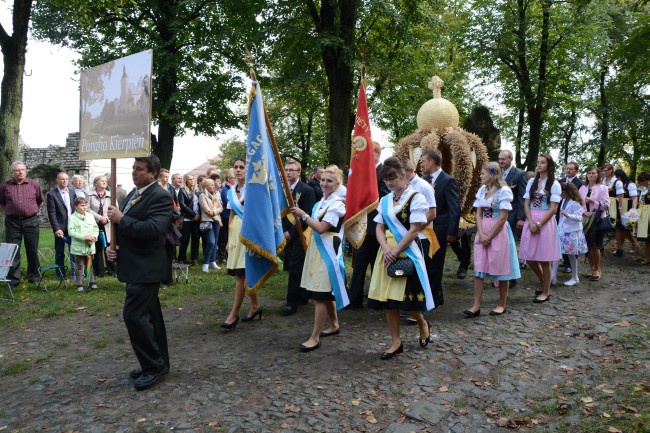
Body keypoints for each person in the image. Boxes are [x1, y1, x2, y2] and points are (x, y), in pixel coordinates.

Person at [106, 155, 173, 391]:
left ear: (152, 173)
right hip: (133, 264)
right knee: (151, 317)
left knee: (134, 316)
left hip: (147, 267)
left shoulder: (161, 196)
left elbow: (153, 230)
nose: (134, 173)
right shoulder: (136, 194)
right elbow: (125, 229)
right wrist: (114, 247)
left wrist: (122, 218)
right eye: (133, 169)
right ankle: (157, 362)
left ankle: (153, 367)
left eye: (139, 169)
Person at [367, 157, 434, 359]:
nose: (389, 183)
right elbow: (378, 226)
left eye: (392, 178)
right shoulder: (385, 200)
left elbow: (414, 230)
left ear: (403, 174)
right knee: (389, 301)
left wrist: (395, 251)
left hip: (407, 251)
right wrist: (385, 247)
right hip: (386, 252)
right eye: (386, 179)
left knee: (406, 301)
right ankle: (396, 342)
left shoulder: (417, 198)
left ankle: (422, 323)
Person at [289, 165, 346, 352]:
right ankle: (335, 325)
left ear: (337, 184)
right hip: (317, 248)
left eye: (329, 181)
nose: (324, 183)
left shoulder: (338, 204)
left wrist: (303, 215)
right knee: (323, 290)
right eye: (322, 180)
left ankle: (314, 337)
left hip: (328, 248)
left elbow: (322, 228)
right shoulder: (320, 203)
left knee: (319, 295)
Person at [463, 162, 520, 317]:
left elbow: (503, 217)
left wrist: (490, 236)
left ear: (492, 174)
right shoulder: (482, 190)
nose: (480, 176)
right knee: (479, 269)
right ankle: (476, 305)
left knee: (501, 268)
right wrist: (481, 233)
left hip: (498, 231)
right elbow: (478, 214)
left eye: (482, 173)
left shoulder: (504, 191)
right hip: (483, 230)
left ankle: (501, 304)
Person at [348, 142, 390, 309]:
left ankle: (376, 298)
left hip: (376, 226)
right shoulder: (359, 173)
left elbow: (385, 196)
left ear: (378, 154)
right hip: (360, 227)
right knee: (359, 264)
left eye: (370, 153)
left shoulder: (383, 173)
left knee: (376, 264)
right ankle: (355, 299)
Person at [222, 157, 262, 328]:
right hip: (235, 234)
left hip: (249, 233)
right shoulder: (231, 191)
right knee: (242, 273)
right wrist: (229, 237)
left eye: (242, 167)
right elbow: (231, 215)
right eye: (236, 167)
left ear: (248, 170)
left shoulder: (253, 189)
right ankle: (255, 306)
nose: (238, 170)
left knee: (241, 274)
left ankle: (233, 315)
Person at [420, 148, 460, 307]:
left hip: (440, 230)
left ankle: (434, 299)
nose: (422, 164)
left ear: (432, 162)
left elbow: (454, 209)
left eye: (423, 161)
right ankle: (434, 295)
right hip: (424, 229)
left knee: (436, 265)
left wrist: (451, 232)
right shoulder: (423, 181)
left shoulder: (448, 181)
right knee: (427, 264)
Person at [519, 154, 561, 303]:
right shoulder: (532, 182)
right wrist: (530, 221)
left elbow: (553, 209)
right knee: (529, 256)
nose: (539, 165)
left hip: (545, 222)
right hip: (531, 220)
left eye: (542, 162)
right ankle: (543, 280)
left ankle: (546, 292)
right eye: (538, 162)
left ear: (549, 165)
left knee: (544, 259)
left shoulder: (554, 184)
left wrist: (539, 224)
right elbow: (526, 203)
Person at [0, 161, 44, 286]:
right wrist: (11, 211)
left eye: (22, 170)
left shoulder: (34, 184)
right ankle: (14, 279)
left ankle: (34, 276)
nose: (20, 172)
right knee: (13, 250)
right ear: (12, 172)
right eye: (17, 170)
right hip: (12, 222)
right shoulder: (5, 186)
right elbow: (2, 203)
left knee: (32, 249)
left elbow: (40, 201)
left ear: (25, 171)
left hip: (31, 221)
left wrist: (31, 211)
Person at [282, 159, 316, 316]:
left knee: (296, 268)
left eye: (291, 170)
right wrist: (283, 231)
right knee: (291, 265)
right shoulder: (282, 190)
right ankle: (302, 296)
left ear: (298, 172)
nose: (288, 172)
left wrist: (292, 233)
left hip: (301, 233)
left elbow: (307, 214)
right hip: (285, 232)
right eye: (286, 170)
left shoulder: (307, 190)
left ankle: (291, 302)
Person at [497, 150, 528, 286]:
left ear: (511, 159)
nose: (501, 161)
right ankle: (500, 275)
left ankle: (512, 277)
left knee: (509, 246)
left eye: (503, 159)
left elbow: (522, 197)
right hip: (498, 214)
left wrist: (521, 218)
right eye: (499, 159)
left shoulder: (520, 174)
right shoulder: (498, 173)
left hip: (513, 215)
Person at [579, 167, 610, 281]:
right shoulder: (583, 188)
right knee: (588, 244)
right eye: (589, 173)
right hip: (586, 219)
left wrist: (593, 202)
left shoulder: (603, 188)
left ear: (598, 175)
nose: (591, 175)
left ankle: (596, 269)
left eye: (593, 173)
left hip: (598, 219)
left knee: (596, 244)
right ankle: (591, 268)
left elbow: (607, 205)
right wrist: (584, 211)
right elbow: (578, 203)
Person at [554, 182, 588, 286]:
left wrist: (568, 215)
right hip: (563, 230)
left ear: (567, 192)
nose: (560, 194)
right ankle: (553, 276)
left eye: (562, 192)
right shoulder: (564, 200)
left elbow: (579, 217)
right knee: (557, 252)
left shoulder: (575, 202)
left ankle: (575, 277)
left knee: (571, 255)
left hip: (572, 232)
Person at [47, 172, 76, 280]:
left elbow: (75, 209)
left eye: (66, 179)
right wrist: (56, 228)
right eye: (62, 179)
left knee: (74, 250)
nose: (64, 181)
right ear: (57, 180)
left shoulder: (72, 192)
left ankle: (75, 274)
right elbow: (52, 213)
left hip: (72, 226)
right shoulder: (52, 194)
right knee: (60, 252)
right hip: (60, 227)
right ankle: (60, 274)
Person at [557, 162, 584, 274]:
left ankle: (570, 264)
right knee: (561, 238)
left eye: (571, 169)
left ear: (576, 171)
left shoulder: (580, 183)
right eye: (567, 169)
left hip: (572, 215)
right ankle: (563, 260)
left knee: (571, 243)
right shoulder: (560, 181)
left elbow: (579, 199)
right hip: (561, 211)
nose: (568, 171)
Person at [68, 197, 99, 292]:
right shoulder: (72, 217)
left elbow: (95, 228)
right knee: (79, 265)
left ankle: (92, 282)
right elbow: (71, 231)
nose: (84, 207)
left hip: (89, 245)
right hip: (79, 247)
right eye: (82, 205)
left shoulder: (90, 216)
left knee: (89, 264)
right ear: (76, 207)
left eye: (86, 205)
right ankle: (79, 284)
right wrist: (84, 237)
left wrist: (94, 237)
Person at [87, 175, 115, 277]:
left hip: (108, 224)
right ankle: (99, 272)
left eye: (105, 181)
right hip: (95, 224)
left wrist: (106, 218)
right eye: (102, 181)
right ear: (96, 183)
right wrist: (99, 218)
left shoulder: (111, 195)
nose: (104, 182)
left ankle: (112, 270)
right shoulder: (89, 195)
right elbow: (87, 209)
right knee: (97, 247)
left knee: (109, 246)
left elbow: (115, 208)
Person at [612, 169, 638, 257]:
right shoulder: (617, 184)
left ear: (619, 176)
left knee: (626, 228)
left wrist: (633, 210)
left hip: (627, 207)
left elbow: (634, 198)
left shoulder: (630, 184)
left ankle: (631, 244)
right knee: (621, 228)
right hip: (619, 207)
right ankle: (622, 247)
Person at [198, 178, 223, 272]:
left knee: (215, 242)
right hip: (207, 222)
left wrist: (214, 212)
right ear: (206, 186)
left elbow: (221, 208)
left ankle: (213, 262)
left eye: (214, 185)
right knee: (211, 242)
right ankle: (205, 264)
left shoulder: (215, 195)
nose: (214, 186)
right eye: (211, 185)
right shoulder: (202, 196)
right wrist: (214, 213)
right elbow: (207, 211)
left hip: (216, 222)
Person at [177, 173, 200, 266]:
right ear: (185, 180)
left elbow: (199, 204)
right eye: (190, 179)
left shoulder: (196, 191)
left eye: (193, 179)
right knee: (185, 239)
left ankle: (194, 259)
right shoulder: (182, 191)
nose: (192, 181)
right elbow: (182, 205)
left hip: (196, 219)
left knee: (196, 238)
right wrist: (193, 215)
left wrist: (198, 215)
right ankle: (181, 258)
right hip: (187, 219)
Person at [217, 168, 234, 263]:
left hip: (233, 215)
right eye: (233, 177)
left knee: (230, 236)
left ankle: (229, 255)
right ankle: (222, 256)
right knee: (224, 237)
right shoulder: (225, 189)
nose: (235, 179)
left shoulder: (234, 188)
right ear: (229, 178)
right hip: (227, 216)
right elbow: (227, 202)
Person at [635, 172, 649, 265]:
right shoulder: (646, 188)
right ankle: (647, 256)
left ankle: (648, 258)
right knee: (647, 238)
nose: (640, 183)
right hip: (645, 213)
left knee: (648, 238)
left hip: (648, 214)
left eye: (641, 181)